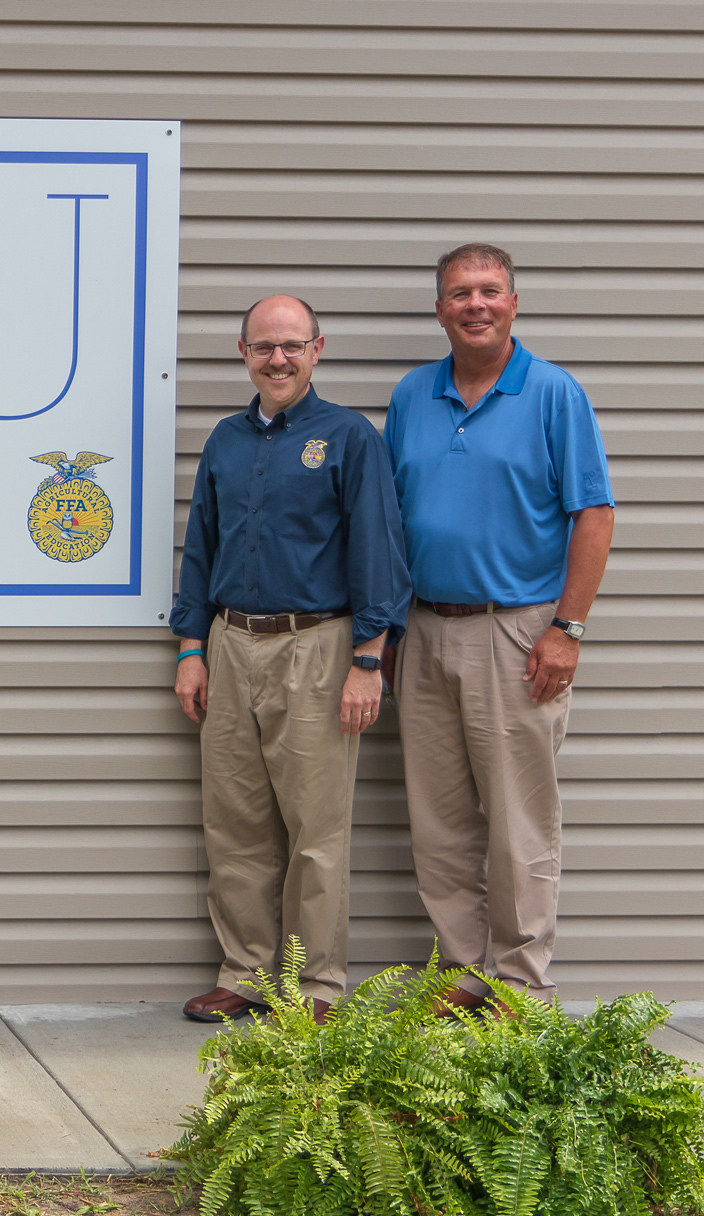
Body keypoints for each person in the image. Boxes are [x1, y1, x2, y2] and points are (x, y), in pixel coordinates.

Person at [386, 244, 615, 1011]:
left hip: (517, 633)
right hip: (423, 630)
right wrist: (385, 634)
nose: (474, 304)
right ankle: (463, 971)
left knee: (519, 820)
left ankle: (520, 982)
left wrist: (567, 628)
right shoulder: (413, 396)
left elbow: (595, 513)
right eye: (459, 292)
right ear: (439, 309)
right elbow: (389, 521)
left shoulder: (553, 393)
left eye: (489, 290)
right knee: (440, 820)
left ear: (514, 303)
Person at [172, 294, 411, 1024]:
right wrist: (191, 645)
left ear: (318, 349)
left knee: (316, 829)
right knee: (236, 822)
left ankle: (317, 987)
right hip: (231, 643)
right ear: (242, 352)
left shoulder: (348, 439)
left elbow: (380, 547)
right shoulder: (225, 440)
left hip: (319, 645)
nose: (278, 358)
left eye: (292, 345)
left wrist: (369, 658)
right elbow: (201, 547)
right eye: (264, 346)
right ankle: (245, 973)